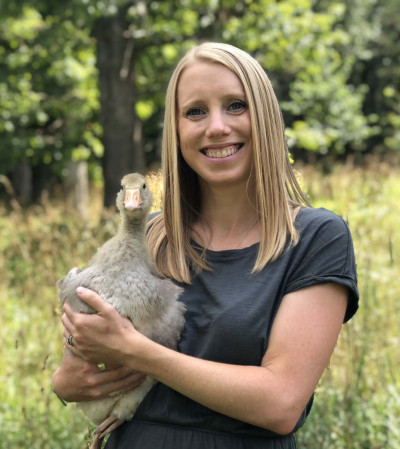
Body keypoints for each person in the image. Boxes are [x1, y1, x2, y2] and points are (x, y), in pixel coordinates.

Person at [53, 42, 359, 449]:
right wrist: (68, 379)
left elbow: (281, 403)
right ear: (176, 130)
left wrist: (136, 352)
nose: (216, 127)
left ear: (266, 117)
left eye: (236, 105)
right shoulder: (150, 237)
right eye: (195, 111)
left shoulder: (316, 238)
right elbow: (79, 369)